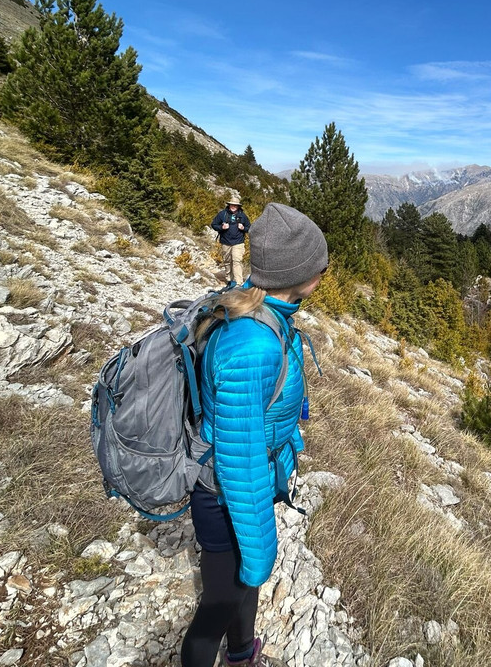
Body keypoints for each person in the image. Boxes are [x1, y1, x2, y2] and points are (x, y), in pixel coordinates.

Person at [181, 203, 328, 667]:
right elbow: (239, 461)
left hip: (246, 483)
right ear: (299, 274)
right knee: (218, 605)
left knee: (243, 587)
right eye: (319, 266)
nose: (323, 273)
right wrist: (262, 550)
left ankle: (242, 653)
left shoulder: (261, 309)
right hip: (225, 495)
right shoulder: (254, 345)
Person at [211, 197, 251, 286]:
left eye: (235, 205)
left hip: (238, 242)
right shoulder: (222, 214)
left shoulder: (243, 216)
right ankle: (229, 279)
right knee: (227, 261)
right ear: (229, 205)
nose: (233, 207)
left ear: (238, 206)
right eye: (232, 205)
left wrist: (243, 228)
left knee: (237, 261)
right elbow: (214, 224)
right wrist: (221, 227)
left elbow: (249, 228)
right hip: (225, 242)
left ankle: (238, 282)